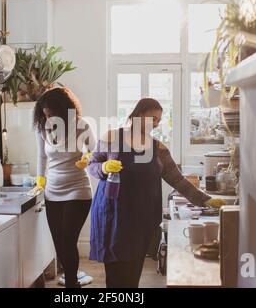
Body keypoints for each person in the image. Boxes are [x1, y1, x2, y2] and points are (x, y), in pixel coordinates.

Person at [88, 98, 223, 288]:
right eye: (153, 118)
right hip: (112, 216)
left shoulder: (159, 149)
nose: (156, 123)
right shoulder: (111, 137)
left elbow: (178, 180)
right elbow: (91, 164)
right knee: (114, 275)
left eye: (159, 120)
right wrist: (103, 167)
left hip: (140, 220)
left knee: (132, 274)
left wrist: (206, 200)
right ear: (138, 115)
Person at [31, 87, 96, 288]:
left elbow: (96, 152)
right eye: (45, 114)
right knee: (59, 244)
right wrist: (40, 179)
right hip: (52, 191)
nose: (48, 117)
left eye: (51, 113)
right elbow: (42, 156)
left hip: (78, 189)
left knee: (68, 241)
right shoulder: (43, 128)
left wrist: (88, 158)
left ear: (63, 110)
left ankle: (72, 286)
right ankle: (71, 278)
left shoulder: (81, 125)